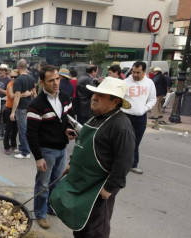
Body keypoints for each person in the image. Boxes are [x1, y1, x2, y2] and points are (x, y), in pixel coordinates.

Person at [49, 77, 135, 238]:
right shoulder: (96, 117)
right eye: (95, 93)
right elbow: (85, 142)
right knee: (80, 221)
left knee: (95, 229)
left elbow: (124, 161)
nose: (94, 97)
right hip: (82, 180)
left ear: (115, 101)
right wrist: (72, 163)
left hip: (98, 186)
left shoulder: (121, 126)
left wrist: (109, 188)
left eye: (101, 95)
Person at [27, 65, 75, 229]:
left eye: (57, 79)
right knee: (43, 185)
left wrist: (68, 130)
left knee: (56, 182)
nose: (55, 83)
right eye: (51, 80)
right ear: (42, 82)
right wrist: (38, 157)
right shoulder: (36, 104)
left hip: (62, 149)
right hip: (46, 151)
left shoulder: (65, 97)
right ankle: (40, 213)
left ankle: (50, 207)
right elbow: (31, 134)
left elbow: (66, 119)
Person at [122, 61, 156, 174]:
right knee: (123, 141)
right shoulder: (125, 82)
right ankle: (118, 163)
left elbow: (152, 99)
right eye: (133, 71)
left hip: (141, 117)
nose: (135, 75)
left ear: (144, 71)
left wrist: (145, 108)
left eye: (138, 72)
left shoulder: (149, 83)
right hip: (126, 115)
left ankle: (133, 164)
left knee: (136, 141)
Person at [10, 59, 37, 159]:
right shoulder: (31, 78)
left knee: (23, 130)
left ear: (18, 67)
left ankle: (25, 152)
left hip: (21, 108)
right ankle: (22, 148)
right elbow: (34, 93)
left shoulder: (18, 80)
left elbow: (16, 97)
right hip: (29, 106)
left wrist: (12, 112)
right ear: (26, 67)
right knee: (26, 129)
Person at [3, 69, 22, 155]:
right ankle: (6, 146)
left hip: (17, 109)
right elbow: (11, 95)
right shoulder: (10, 84)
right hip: (9, 109)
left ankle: (13, 145)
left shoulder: (18, 84)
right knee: (8, 129)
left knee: (15, 129)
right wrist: (22, 94)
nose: (13, 78)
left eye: (15, 77)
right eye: (12, 77)